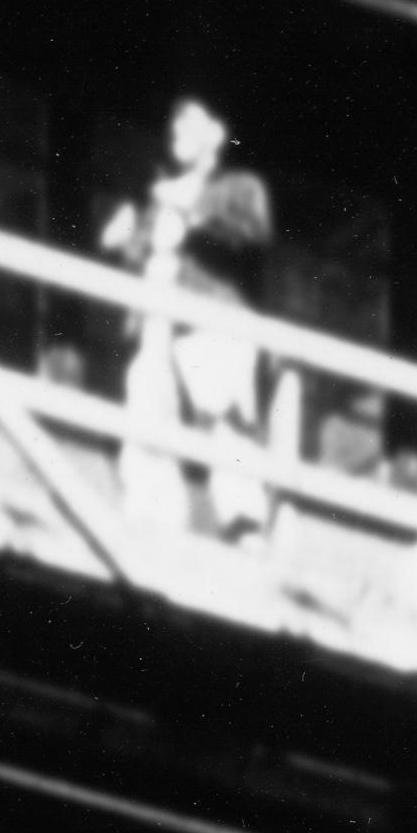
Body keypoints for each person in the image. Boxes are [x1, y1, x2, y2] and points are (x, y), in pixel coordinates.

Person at [112, 100, 278, 536]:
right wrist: (129, 236)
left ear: (218, 134)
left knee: (221, 416)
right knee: (148, 410)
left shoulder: (238, 186)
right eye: (174, 123)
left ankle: (244, 525)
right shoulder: (162, 193)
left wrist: (194, 206)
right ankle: (152, 521)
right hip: (156, 323)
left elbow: (252, 228)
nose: (177, 130)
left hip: (212, 322)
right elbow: (134, 252)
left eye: (191, 122)